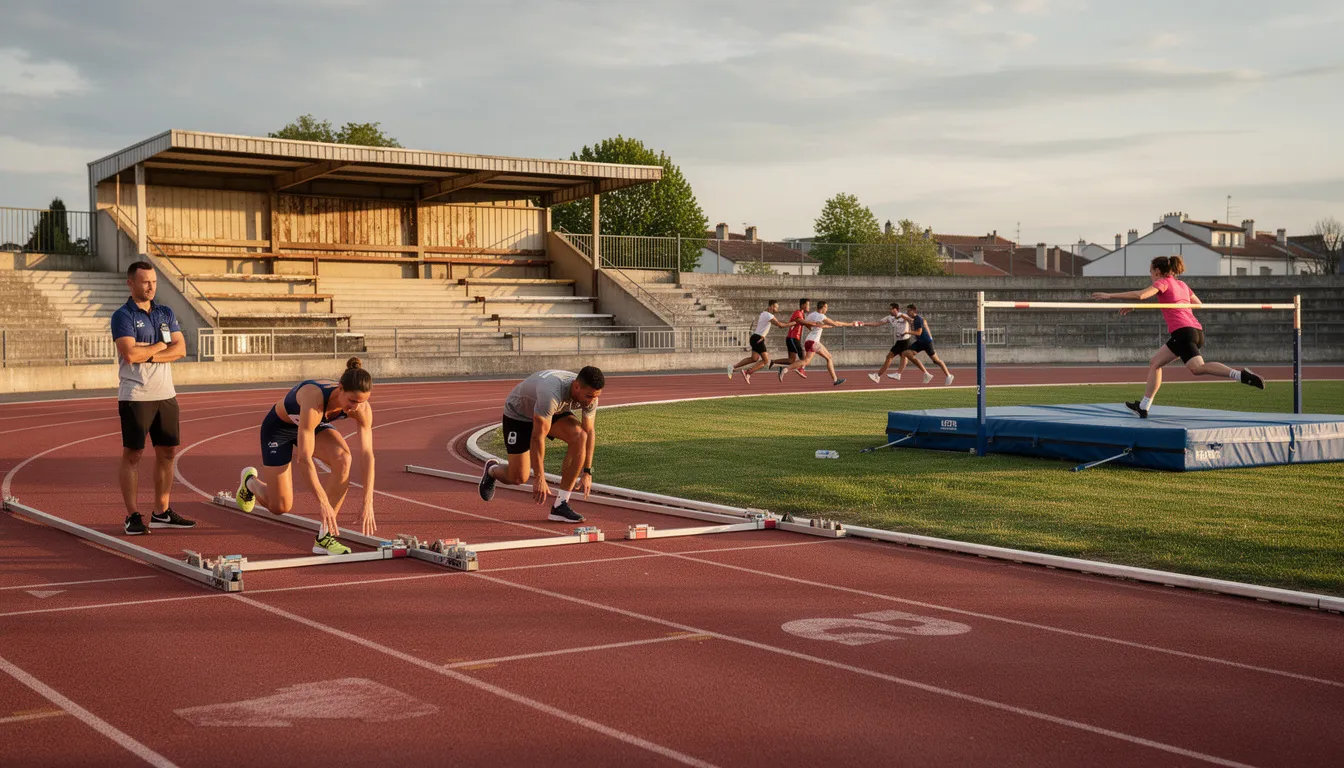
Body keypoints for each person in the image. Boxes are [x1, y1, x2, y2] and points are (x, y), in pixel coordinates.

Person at [234, 358, 377, 555]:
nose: (355, 407)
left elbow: (368, 455)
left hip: (314, 426)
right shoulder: (314, 399)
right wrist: (323, 502)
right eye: (352, 401)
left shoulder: (361, 408)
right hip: (280, 430)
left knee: (344, 458)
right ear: (340, 388)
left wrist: (368, 501)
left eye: (361, 402)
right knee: (280, 506)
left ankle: (324, 538)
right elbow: (305, 458)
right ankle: (250, 482)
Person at [1091, 255, 1263, 418]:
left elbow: (1141, 294)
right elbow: (1198, 304)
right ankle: (1143, 407)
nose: (1151, 276)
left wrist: (1110, 295)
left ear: (1158, 271)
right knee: (1155, 363)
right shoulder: (1181, 285)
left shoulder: (1163, 282)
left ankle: (1240, 375)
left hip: (1182, 333)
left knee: (1198, 368)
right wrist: (1173, 306)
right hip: (1194, 331)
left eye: (1151, 272)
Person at [111, 261, 194, 536]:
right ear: (131, 284)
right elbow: (130, 355)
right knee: (133, 454)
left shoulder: (165, 312)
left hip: (165, 394)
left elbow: (180, 349)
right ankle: (133, 515)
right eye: (145, 282)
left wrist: (149, 352)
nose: (151, 287)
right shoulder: (122, 316)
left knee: (168, 452)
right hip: (136, 395)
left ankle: (161, 512)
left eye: (154, 282)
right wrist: (160, 346)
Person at [478, 367, 604, 523]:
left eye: (595, 397)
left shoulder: (590, 396)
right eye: (589, 396)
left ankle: (561, 505)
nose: (591, 401)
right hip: (519, 415)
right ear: (576, 386)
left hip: (553, 412)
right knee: (518, 477)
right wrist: (539, 477)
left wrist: (587, 472)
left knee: (580, 436)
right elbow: (537, 438)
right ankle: (492, 471)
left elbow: (589, 432)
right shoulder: (551, 393)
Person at [777, 300, 856, 386]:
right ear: (823, 307)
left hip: (809, 340)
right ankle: (785, 369)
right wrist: (850, 324)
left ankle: (835, 379)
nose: (827, 310)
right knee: (806, 361)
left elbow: (810, 325)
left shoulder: (811, 315)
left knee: (828, 357)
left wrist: (823, 326)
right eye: (826, 308)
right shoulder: (821, 316)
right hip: (813, 342)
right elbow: (835, 323)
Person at [861, 302, 931, 384]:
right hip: (899, 341)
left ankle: (886, 375)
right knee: (893, 357)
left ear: (896, 309)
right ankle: (880, 376)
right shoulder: (889, 318)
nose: (890, 310)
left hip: (906, 340)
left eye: (891, 309)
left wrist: (903, 318)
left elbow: (914, 320)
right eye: (889, 309)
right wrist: (864, 324)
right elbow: (877, 324)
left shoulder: (903, 315)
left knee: (904, 357)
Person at [729, 300, 793, 383]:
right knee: (765, 361)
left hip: (755, 337)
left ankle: (733, 367)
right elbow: (780, 325)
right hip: (758, 338)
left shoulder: (764, 313)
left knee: (754, 358)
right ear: (771, 307)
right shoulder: (768, 315)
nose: (777, 309)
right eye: (776, 307)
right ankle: (748, 372)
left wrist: (763, 335)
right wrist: (793, 323)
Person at [897, 304, 954, 385]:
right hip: (920, 342)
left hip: (926, 342)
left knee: (936, 361)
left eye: (909, 310)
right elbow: (906, 318)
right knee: (905, 353)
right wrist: (898, 315)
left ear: (913, 310)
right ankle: (926, 373)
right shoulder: (913, 319)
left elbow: (918, 332)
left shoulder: (918, 319)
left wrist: (907, 332)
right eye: (907, 310)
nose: (907, 312)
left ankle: (948, 375)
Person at [770, 298, 812, 378]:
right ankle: (799, 369)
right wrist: (814, 325)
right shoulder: (797, 313)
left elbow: (805, 324)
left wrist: (812, 328)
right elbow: (801, 321)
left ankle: (775, 362)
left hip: (791, 338)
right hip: (793, 338)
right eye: (807, 304)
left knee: (791, 360)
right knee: (804, 359)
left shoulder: (802, 313)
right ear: (803, 305)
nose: (809, 306)